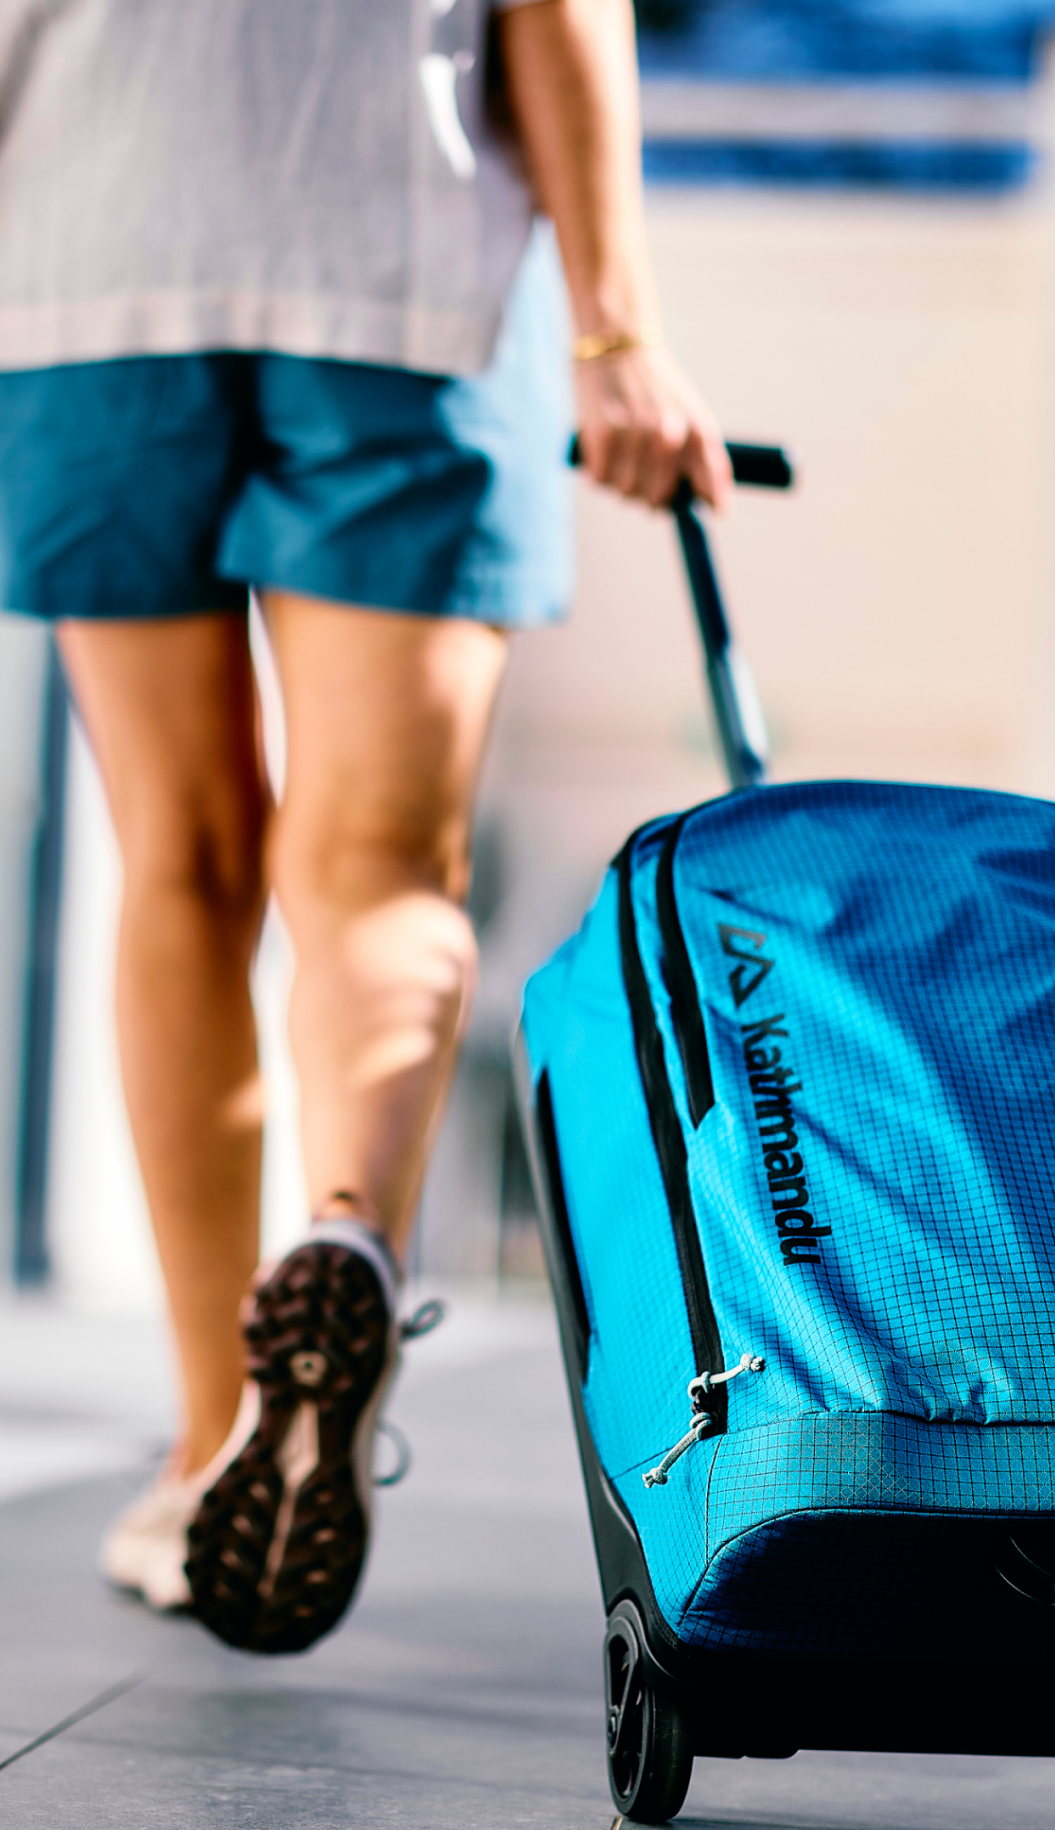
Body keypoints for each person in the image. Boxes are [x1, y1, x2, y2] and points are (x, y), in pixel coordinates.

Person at [0, 0, 728, 1654]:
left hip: (86, 263)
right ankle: (347, 1234)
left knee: (182, 856)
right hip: (406, 265)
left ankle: (212, 1446)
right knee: (381, 872)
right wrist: (617, 328)